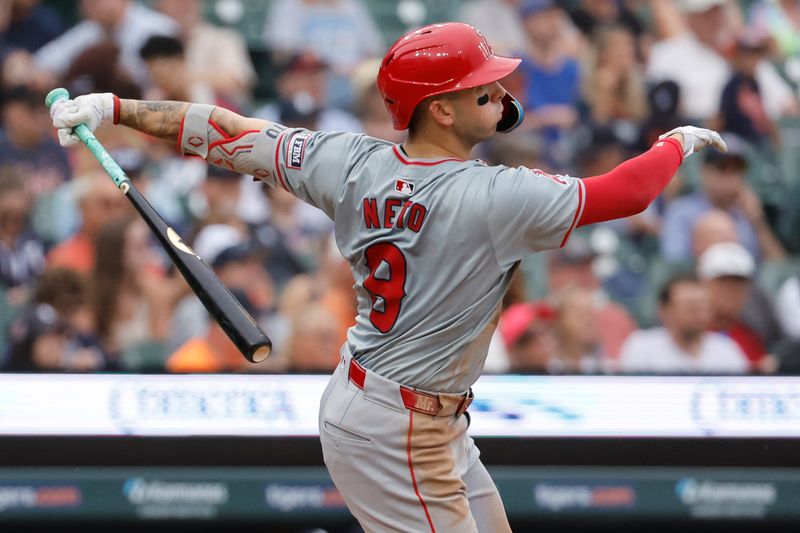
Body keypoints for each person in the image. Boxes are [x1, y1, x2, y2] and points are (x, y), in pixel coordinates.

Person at [51, 22, 728, 532]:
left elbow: (222, 131)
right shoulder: (496, 196)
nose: (500, 91)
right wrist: (675, 143)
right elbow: (628, 192)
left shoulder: (345, 159)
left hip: (393, 401)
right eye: (481, 87)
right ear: (441, 108)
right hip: (402, 423)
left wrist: (113, 109)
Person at [619, 273, 749, 374]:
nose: (698, 315)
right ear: (665, 310)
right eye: (690, 308)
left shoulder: (726, 350)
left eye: (703, 307)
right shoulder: (642, 347)